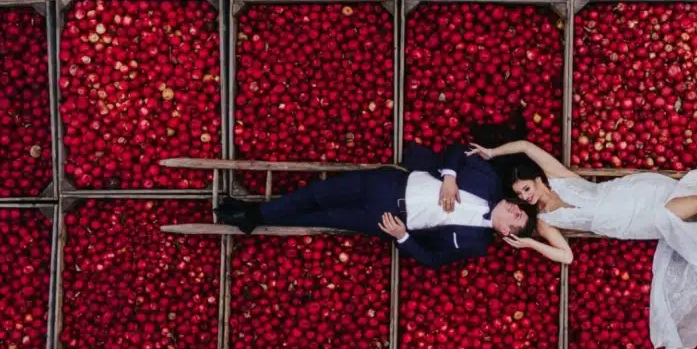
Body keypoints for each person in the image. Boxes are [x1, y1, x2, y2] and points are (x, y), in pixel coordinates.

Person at [468, 137, 697, 349]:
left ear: (537, 180)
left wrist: (492, 150)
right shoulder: (545, 222)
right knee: (695, 206)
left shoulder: (559, 178)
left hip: (633, 193)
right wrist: (531, 246)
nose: (527, 196)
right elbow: (566, 256)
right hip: (631, 223)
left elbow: (527, 147)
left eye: (527, 188)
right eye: (523, 195)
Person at [214, 142, 542, 269]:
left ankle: (252, 218)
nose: (515, 209)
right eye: (519, 208)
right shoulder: (490, 182)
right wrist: (450, 177)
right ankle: (254, 214)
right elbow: (458, 149)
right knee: (318, 193)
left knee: (325, 215)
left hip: (388, 218)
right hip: (389, 184)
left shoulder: (476, 243)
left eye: (516, 218)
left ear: (505, 231)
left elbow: (433, 259)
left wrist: (402, 237)